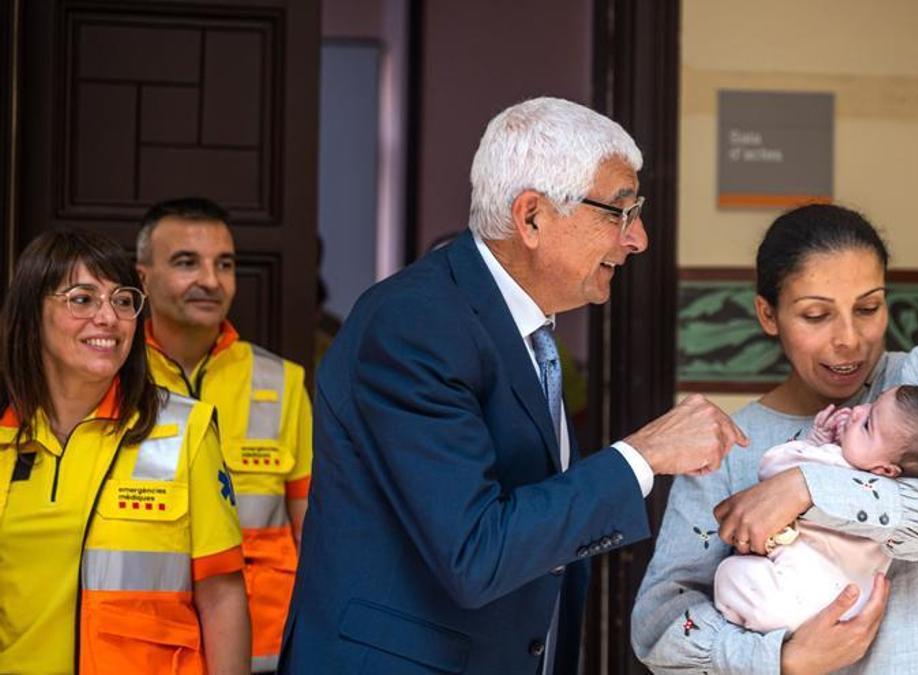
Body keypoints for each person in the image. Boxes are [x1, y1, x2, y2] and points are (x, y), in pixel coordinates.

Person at [280, 96, 746, 675]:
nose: (638, 239)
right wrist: (642, 457)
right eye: (619, 212)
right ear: (532, 217)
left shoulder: (523, 326)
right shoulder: (413, 324)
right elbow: (475, 551)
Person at [632, 204, 918, 674]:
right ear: (769, 315)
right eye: (815, 315)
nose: (848, 339)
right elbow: (659, 623)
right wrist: (781, 660)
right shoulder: (727, 448)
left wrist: (805, 488)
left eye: (868, 308)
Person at [0, 229, 249, 674]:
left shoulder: (183, 429)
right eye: (82, 299)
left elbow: (223, 595)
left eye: (122, 300)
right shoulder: (5, 440)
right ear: (32, 313)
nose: (108, 318)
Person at [137, 198, 313, 673]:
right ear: (143, 278)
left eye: (225, 264)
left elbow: (314, 532)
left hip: (266, 652)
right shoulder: (115, 382)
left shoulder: (281, 381)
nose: (211, 281)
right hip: (152, 649)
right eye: (186, 262)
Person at [714, 378, 918, 634]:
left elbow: (774, 470)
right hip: (842, 609)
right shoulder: (894, 502)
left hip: (786, 600)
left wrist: (815, 443)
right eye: (871, 405)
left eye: (868, 425)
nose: (858, 410)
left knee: (728, 572)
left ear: (884, 469)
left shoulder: (836, 464)